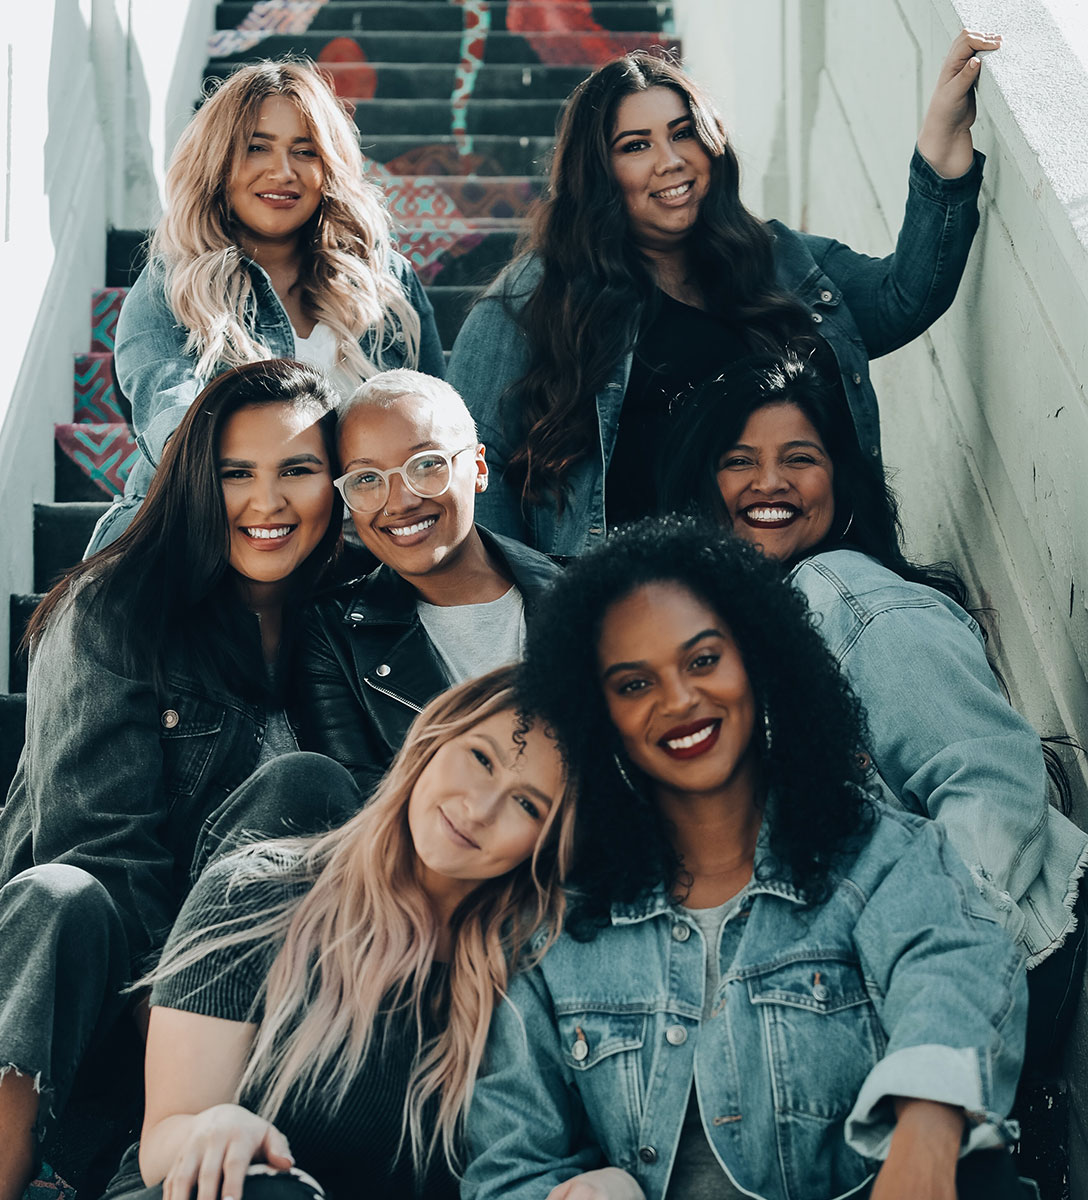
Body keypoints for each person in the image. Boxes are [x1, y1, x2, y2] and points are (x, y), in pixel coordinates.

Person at [465, 517, 1031, 1200]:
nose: (678, 700)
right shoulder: (551, 930)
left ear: (759, 660)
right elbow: (510, 1167)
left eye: (703, 660)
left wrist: (928, 1128)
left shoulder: (882, 857)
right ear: (597, 713)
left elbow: (954, 974)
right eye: (633, 684)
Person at [0, 359, 356, 1200]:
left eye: (298, 470)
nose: (266, 503)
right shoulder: (114, 610)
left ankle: (154, 1167)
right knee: (56, 898)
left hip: (259, 1011)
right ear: (198, 481)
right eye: (236, 473)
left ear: (337, 484)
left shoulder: (351, 624)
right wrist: (183, 1032)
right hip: (99, 995)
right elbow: (102, 855)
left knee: (300, 788)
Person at [659, 350, 1088, 1075]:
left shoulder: (843, 594)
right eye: (740, 461)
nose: (770, 482)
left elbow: (990, 782)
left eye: (800, 457)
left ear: (841, 488)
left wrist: (921, 971)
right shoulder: (730, 641)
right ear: (705, 490)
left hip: (976, 967)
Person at [447, 31, 1000, 557]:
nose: (671, 160)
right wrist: (518, 608)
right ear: (597, 173)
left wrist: (940, 145)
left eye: (683, 132)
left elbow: (902, 298)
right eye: (636, 145)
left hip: (807, 587)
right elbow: (476, 459)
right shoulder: (535, 298)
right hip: (643, 615)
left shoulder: (781, 259)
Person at [97, 665, 575, 1200]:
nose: (480, 809)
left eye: (527, 803)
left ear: (548, 842)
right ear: (435, 738)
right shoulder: (257, 893)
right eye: (481, 759)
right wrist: (214, 1127)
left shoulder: (529, 978)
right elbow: (163, 1138)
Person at [87, 59, 445, 554]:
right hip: (207, 544)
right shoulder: (174, 286)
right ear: (218, 160)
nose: (283, 172)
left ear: (329, 169)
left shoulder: (385, 283)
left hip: (357, 556)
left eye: (305, 151)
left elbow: (435, 429)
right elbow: (176, 430)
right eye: (257, 147)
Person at [295, 369, 560, 794]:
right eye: (366, 479)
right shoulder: (331, 637)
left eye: (426, 464)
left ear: (477, 468)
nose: (400, 502)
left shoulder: (589, 593)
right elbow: (366, 813)